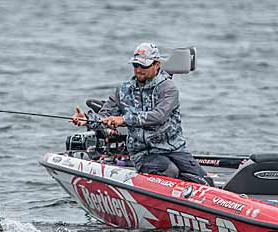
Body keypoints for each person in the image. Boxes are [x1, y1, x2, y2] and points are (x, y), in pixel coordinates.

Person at [72, 42, 213, 186]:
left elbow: (158, 116)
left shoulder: (168, 89)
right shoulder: (123, 90)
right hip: (143, 154)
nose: (138, 70)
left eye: (144, 66)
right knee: (170, 171)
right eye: (135, 65)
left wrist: (123, 119)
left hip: (174, 149)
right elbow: (104, 115)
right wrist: (87, 119)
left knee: (206, 182)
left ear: (156, 65)